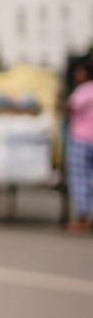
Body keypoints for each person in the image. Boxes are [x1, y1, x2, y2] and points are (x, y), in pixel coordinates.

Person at [66, 62, 93, 233]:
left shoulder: (84, 90)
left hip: (82, 139)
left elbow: (70, 107)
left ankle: (83, 217)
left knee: (80, 178)